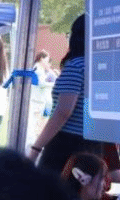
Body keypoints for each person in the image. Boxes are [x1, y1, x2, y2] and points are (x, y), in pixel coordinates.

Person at [28, 14, 102, 174]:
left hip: (66, 146)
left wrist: (36, 149)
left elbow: (63, 112)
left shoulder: (76, 66)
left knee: (51, 189)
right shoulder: (102, 67)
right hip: (93, 146)